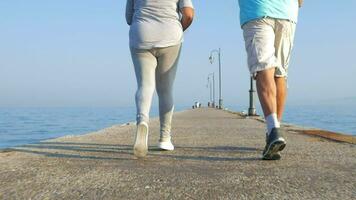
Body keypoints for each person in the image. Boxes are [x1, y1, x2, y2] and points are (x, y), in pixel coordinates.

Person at [126, 0, 194, 157]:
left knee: (144, 85)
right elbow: (188, 15)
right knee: (165, 89)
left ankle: (142, 121)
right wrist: (177, 29)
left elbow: (129, 18)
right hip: (170, 36)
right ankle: (164, 138)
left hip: (141, 35)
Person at [238, 0, 303, 160]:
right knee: (279, 73)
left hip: (257, 10)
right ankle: (274, 131)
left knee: (264, 66)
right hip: (288, 13)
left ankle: (273, 129)